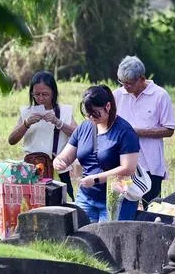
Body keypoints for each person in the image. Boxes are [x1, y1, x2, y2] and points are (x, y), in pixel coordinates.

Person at [54, 85, 141, 222]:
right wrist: (59, 161)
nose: (91, 117)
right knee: (82, 238)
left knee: (109, 240)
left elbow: (128, 168)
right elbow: (67, 155)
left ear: (108, 106)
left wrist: (95, 179)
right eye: (87, 113)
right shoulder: (84, 127)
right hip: (86, 197)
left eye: (95, 113)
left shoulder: (125, 131)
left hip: (117, 198)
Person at [113, 56, 175, 204]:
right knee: (123, 205)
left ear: (141, 79)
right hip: (124, 163)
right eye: (122, 83)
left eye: (129, 83)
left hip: (151, 163)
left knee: (151, 206)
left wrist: (136, 132)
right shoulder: (117, 95)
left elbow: (169, 130)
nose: (125, 87)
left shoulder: (160, 95)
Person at [7, 71, 76, 193]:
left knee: (61, 206)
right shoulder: (26, 112)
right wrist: (26, 124)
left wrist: (58, 122)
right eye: (36, 95)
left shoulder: (64, 111)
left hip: (58, 169)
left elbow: (79, 134)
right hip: (33, 169)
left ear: (53, 93)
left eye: (45, 94)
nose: (40, 98)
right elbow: (11, 140)